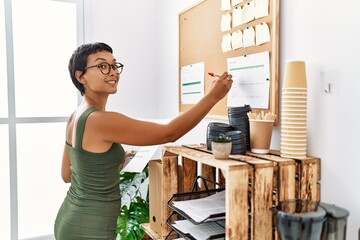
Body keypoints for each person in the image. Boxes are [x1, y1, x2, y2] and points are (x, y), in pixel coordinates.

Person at [54, 42, 233, 239]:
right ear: (81, 76)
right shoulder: (99, 120)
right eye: (102, 66)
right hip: (90, 228)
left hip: (70, 219)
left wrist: (108, 165)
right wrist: (213, 97)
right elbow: (169, 133)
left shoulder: (75, 117)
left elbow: (67, 175)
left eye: (115, 65)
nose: (112, 72)